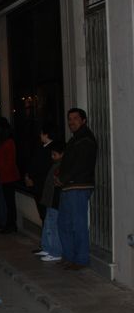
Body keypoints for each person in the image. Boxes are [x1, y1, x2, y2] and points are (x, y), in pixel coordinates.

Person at [56, 108, 97, 270]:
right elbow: (68, 162)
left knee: (77, 224)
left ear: (84, 120)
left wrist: (63, 178)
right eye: (69, 118)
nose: (71, 122)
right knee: (64, 223)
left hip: (78, 186)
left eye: (75, 118)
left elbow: (80, 164)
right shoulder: (75, 139)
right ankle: (69, 256)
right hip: (69, 186)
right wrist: (59, 175)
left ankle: (80, 259)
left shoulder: (85, 139)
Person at [35, 141, 66, 262]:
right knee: (48, 224)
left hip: (55, 201)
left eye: (55, 154)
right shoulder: (55, 164)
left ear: (62, 154)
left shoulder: (61, 165)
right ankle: (47, 247)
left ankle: (55, 251)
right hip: (50, 200)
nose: (52, 157)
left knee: (53, 226)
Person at [0, 117, 21, 233]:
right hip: (5, 176)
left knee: (9, 203)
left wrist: (1, 172)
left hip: (8, 177)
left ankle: (11, 224)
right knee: (8, 202)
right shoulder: (5, 141)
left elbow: (9, 161)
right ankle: (10, 224)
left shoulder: (9, 142)